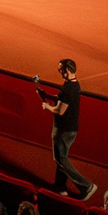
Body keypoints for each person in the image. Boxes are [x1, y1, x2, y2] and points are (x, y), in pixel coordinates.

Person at [36, 59, 92, 200]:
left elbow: (60, 110)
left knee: (60, 158)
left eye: (60, 69)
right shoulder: (73, 85)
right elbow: (62, 100)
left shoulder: (67, 89)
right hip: (70, 128)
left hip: (63, 129)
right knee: (62, 157)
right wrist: (47, 96)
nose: (59, 71)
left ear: (66, 70)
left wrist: (47, 106)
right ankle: (60, 186)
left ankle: (86, 186)